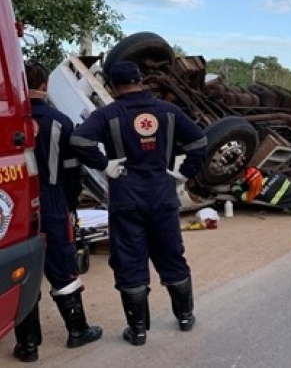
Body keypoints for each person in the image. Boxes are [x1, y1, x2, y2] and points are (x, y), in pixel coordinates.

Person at [70, 61, 207, 346]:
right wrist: (183, 173)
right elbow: (199, 140)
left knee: (130, 260)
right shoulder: (168, 112)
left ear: (113, 85)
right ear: (141, 80)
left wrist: (104, 165)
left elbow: (80, 139)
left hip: (126, 197)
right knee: (171, 255)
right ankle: (185, 317)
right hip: (162, 193)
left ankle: (138, 330)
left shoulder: (108, 114)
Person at [14, 62, 102, 362]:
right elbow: (73, 171)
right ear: (46, 85)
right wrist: (71, 203)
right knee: (63, 267)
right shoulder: (61, 121)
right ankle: (77, 330)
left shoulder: (8, 120)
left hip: (14, 205)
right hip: (52, 201)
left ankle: (27, 345)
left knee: (22, 272)